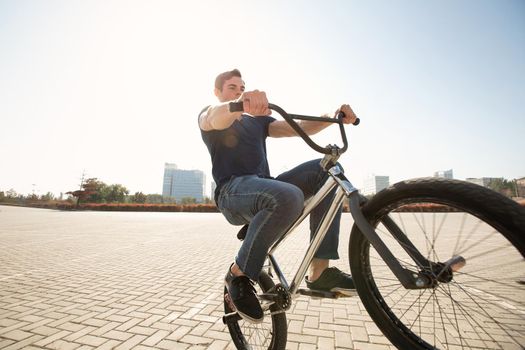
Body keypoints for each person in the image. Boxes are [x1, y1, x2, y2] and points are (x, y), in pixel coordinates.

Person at [199, 69, 358, 323]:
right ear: (217, 92)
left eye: (242, 88)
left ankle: (319, 272)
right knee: (289, 196)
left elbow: (299, 128)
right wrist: (238, 104)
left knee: (327, 172)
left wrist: (332, 115)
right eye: (232, 88)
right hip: (233, 192)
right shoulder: (213, 114)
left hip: (265, 186)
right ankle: (238, 274)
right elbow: (214, 117)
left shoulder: (258, 122)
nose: (239, 92)